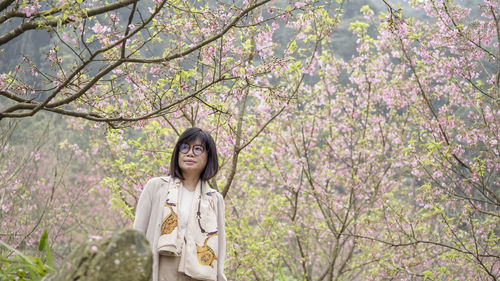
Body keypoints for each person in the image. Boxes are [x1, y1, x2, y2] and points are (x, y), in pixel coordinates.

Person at [133, 127, 227, 281]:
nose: (189, 153)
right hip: (159, 270)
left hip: (198, 274)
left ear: (208, 157)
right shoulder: (156, 187)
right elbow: (137, 235)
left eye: (197, 149)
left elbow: (219, 247)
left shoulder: (214, 199)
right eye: (185, 147)